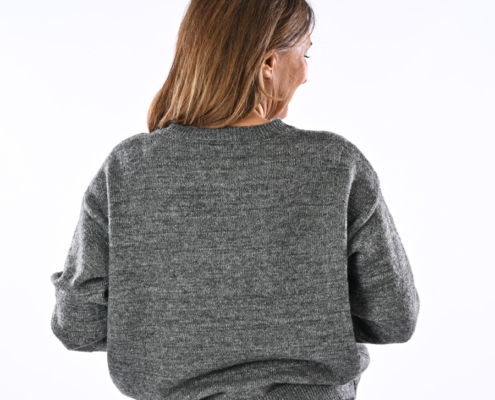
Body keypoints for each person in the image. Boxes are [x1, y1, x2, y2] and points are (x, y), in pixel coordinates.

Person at [49, 1, 420, 399]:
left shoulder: (127, 169)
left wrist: (173, 330)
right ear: (268, 64)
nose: (306, 74)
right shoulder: (336, 165)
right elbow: (395, 317)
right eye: (305, 55)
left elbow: (77, 324)